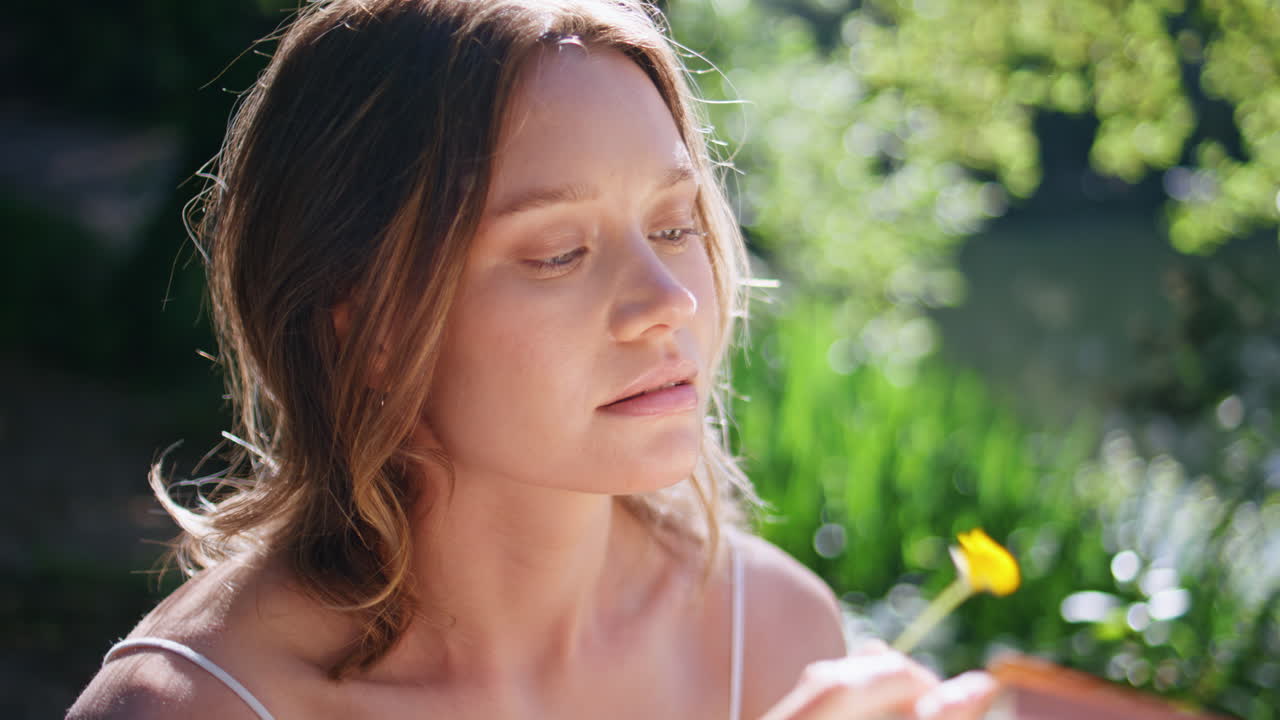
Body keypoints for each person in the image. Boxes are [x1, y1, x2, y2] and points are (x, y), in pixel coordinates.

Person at [69, 0, 999, 717]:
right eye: (559, 252)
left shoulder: (777, 633)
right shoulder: (198, 707)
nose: (669, 302)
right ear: (366, 329)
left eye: (674, 226)